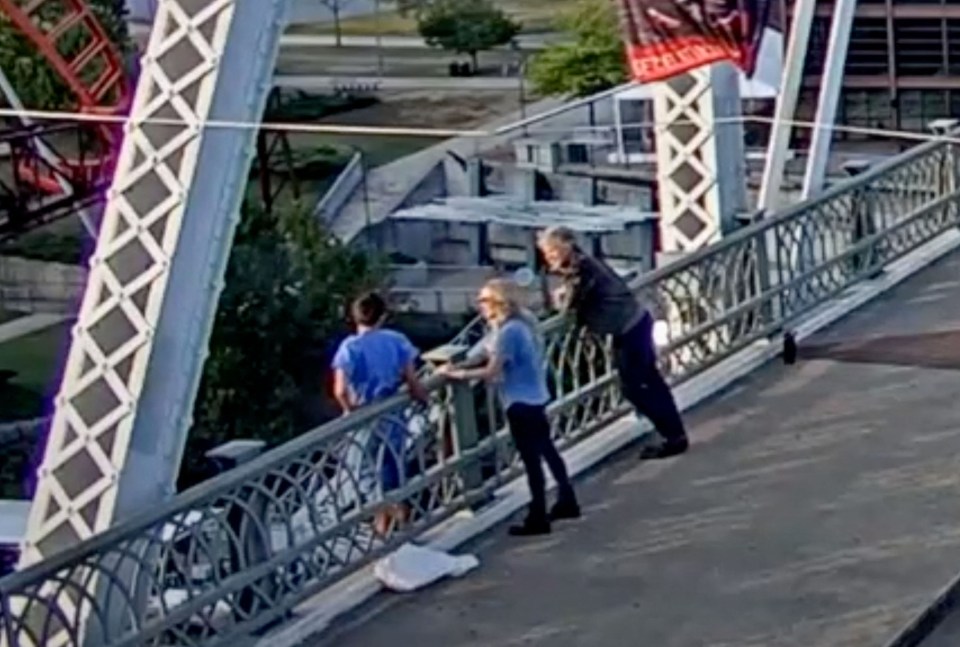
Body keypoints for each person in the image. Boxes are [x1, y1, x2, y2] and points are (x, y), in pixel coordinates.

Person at [439, 279, 580, 537]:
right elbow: (489, 348)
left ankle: (538, 516)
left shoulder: (508, 333)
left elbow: (492, 371)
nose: (479, 306)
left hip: (519, 402)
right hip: (536, 396)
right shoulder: (523, 321)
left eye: (483, 301)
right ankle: (566, 497)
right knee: (547, 450)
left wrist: (456, 373)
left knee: (532, 461)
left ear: (497, 303)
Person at [537, 226, 689, 460]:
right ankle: (674, 434)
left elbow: (571, 306)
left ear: (567, 244)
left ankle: (672, 436)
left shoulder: (581, 269)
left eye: (553, 251)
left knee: (635, 387)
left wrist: (560, 299)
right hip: (635, 322)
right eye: (547, 253)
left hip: (628, 328)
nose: (550, 258)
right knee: (650, 382)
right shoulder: (586, 263)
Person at [332, 291, 429, 536]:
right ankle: (398, 523)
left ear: (354, 318)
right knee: (392, 468)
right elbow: (411, 378)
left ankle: (383, 519)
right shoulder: (396, 340)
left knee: (362, 469)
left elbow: (340, 389)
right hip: (393, 412)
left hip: (364, 415)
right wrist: (423, 398)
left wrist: (349, 409)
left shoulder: (349, 347)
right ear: (382, 316)